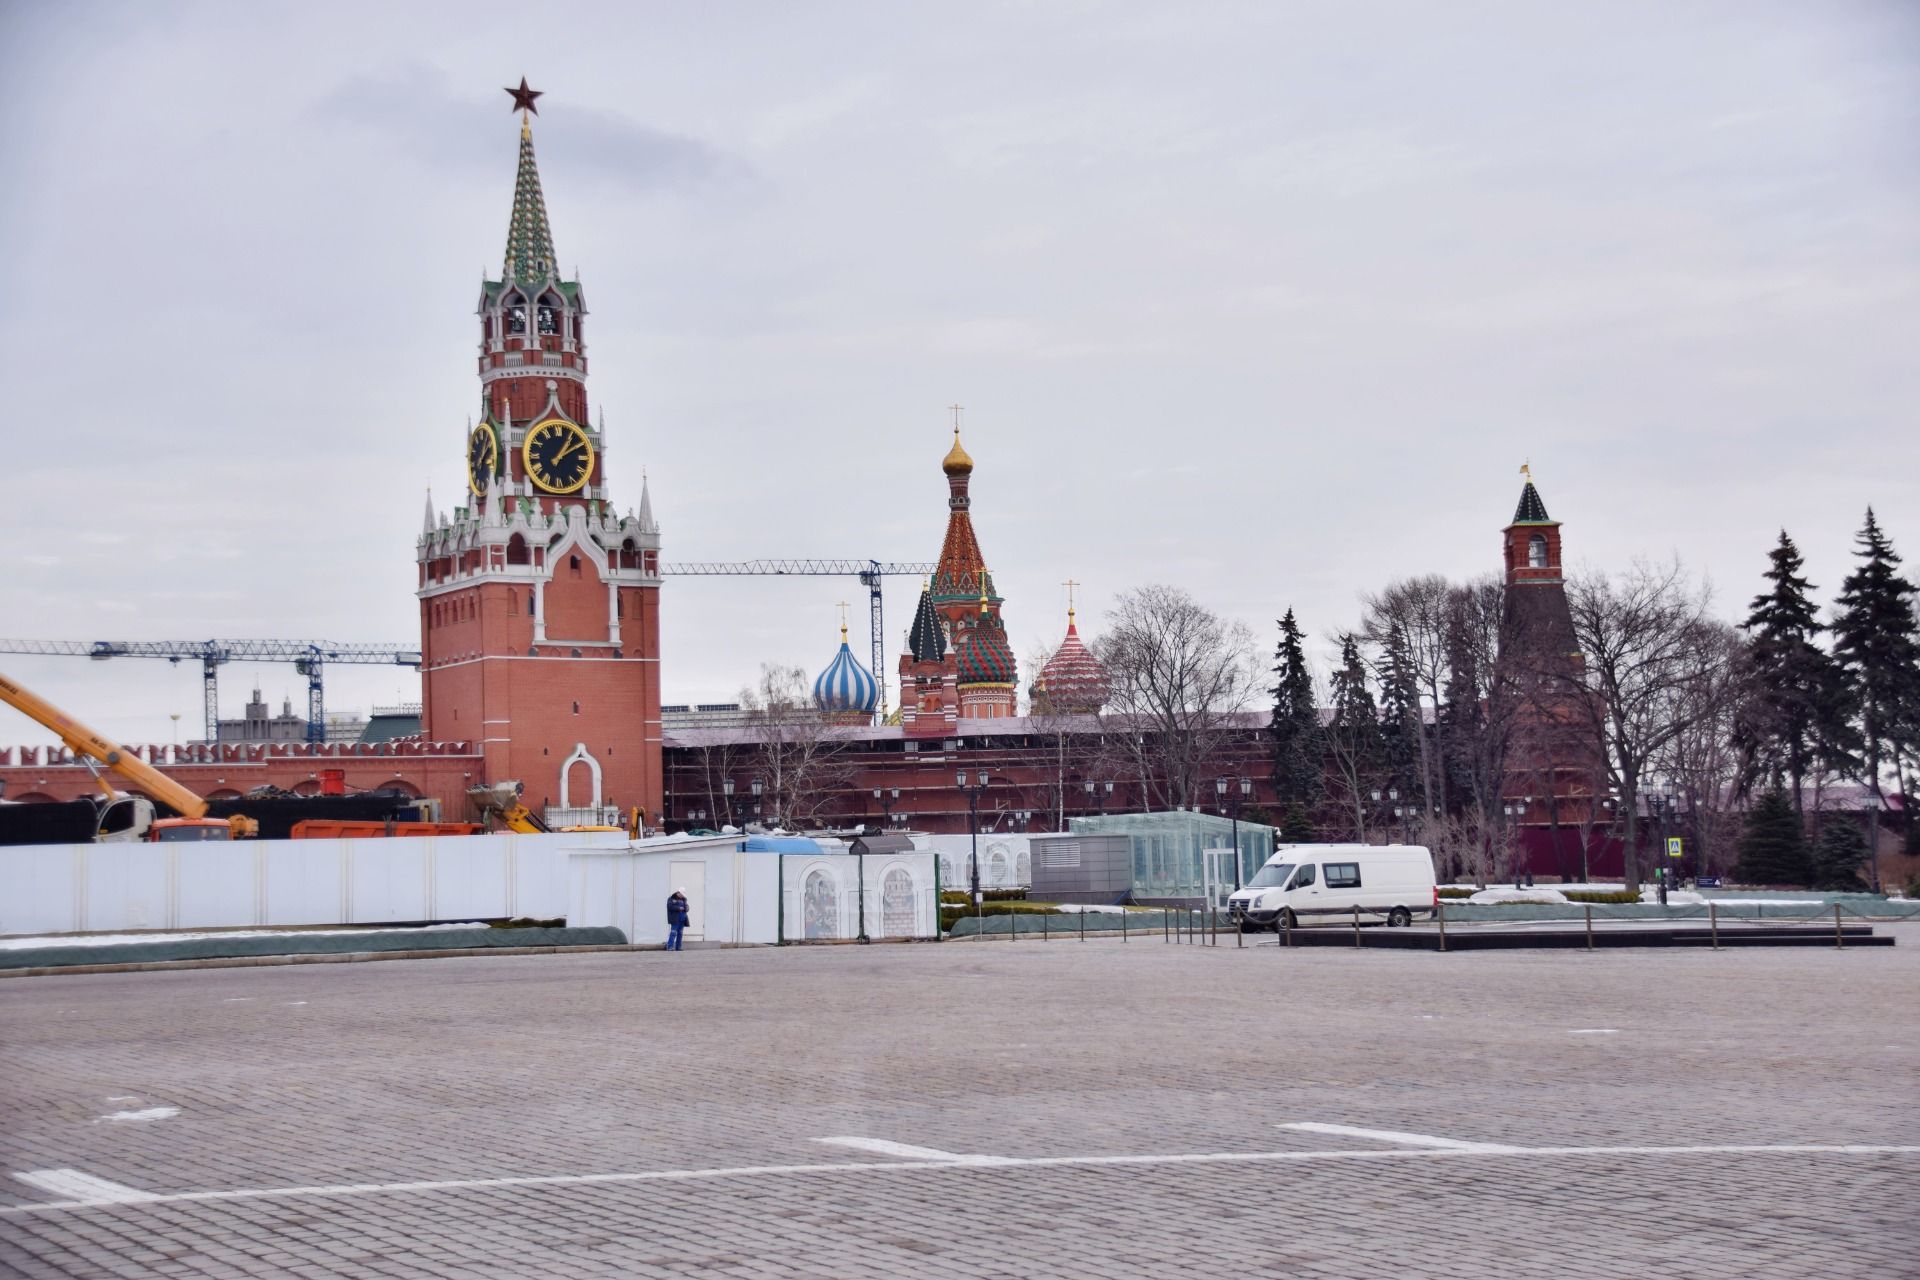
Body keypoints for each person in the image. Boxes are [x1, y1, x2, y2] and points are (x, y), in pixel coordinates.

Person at [666, 887, 690, 951]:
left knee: (680, 933)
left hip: (682, 919)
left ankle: (678, 947)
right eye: (681, 894)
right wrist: (678, 908)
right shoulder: (671, 899)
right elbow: (670, 907)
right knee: (673, 933)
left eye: (683, 895)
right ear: (678, 893)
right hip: (675, 919)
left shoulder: (684, 899)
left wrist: (687, 908)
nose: (682, 896)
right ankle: (670, 946)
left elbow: (687, 906)